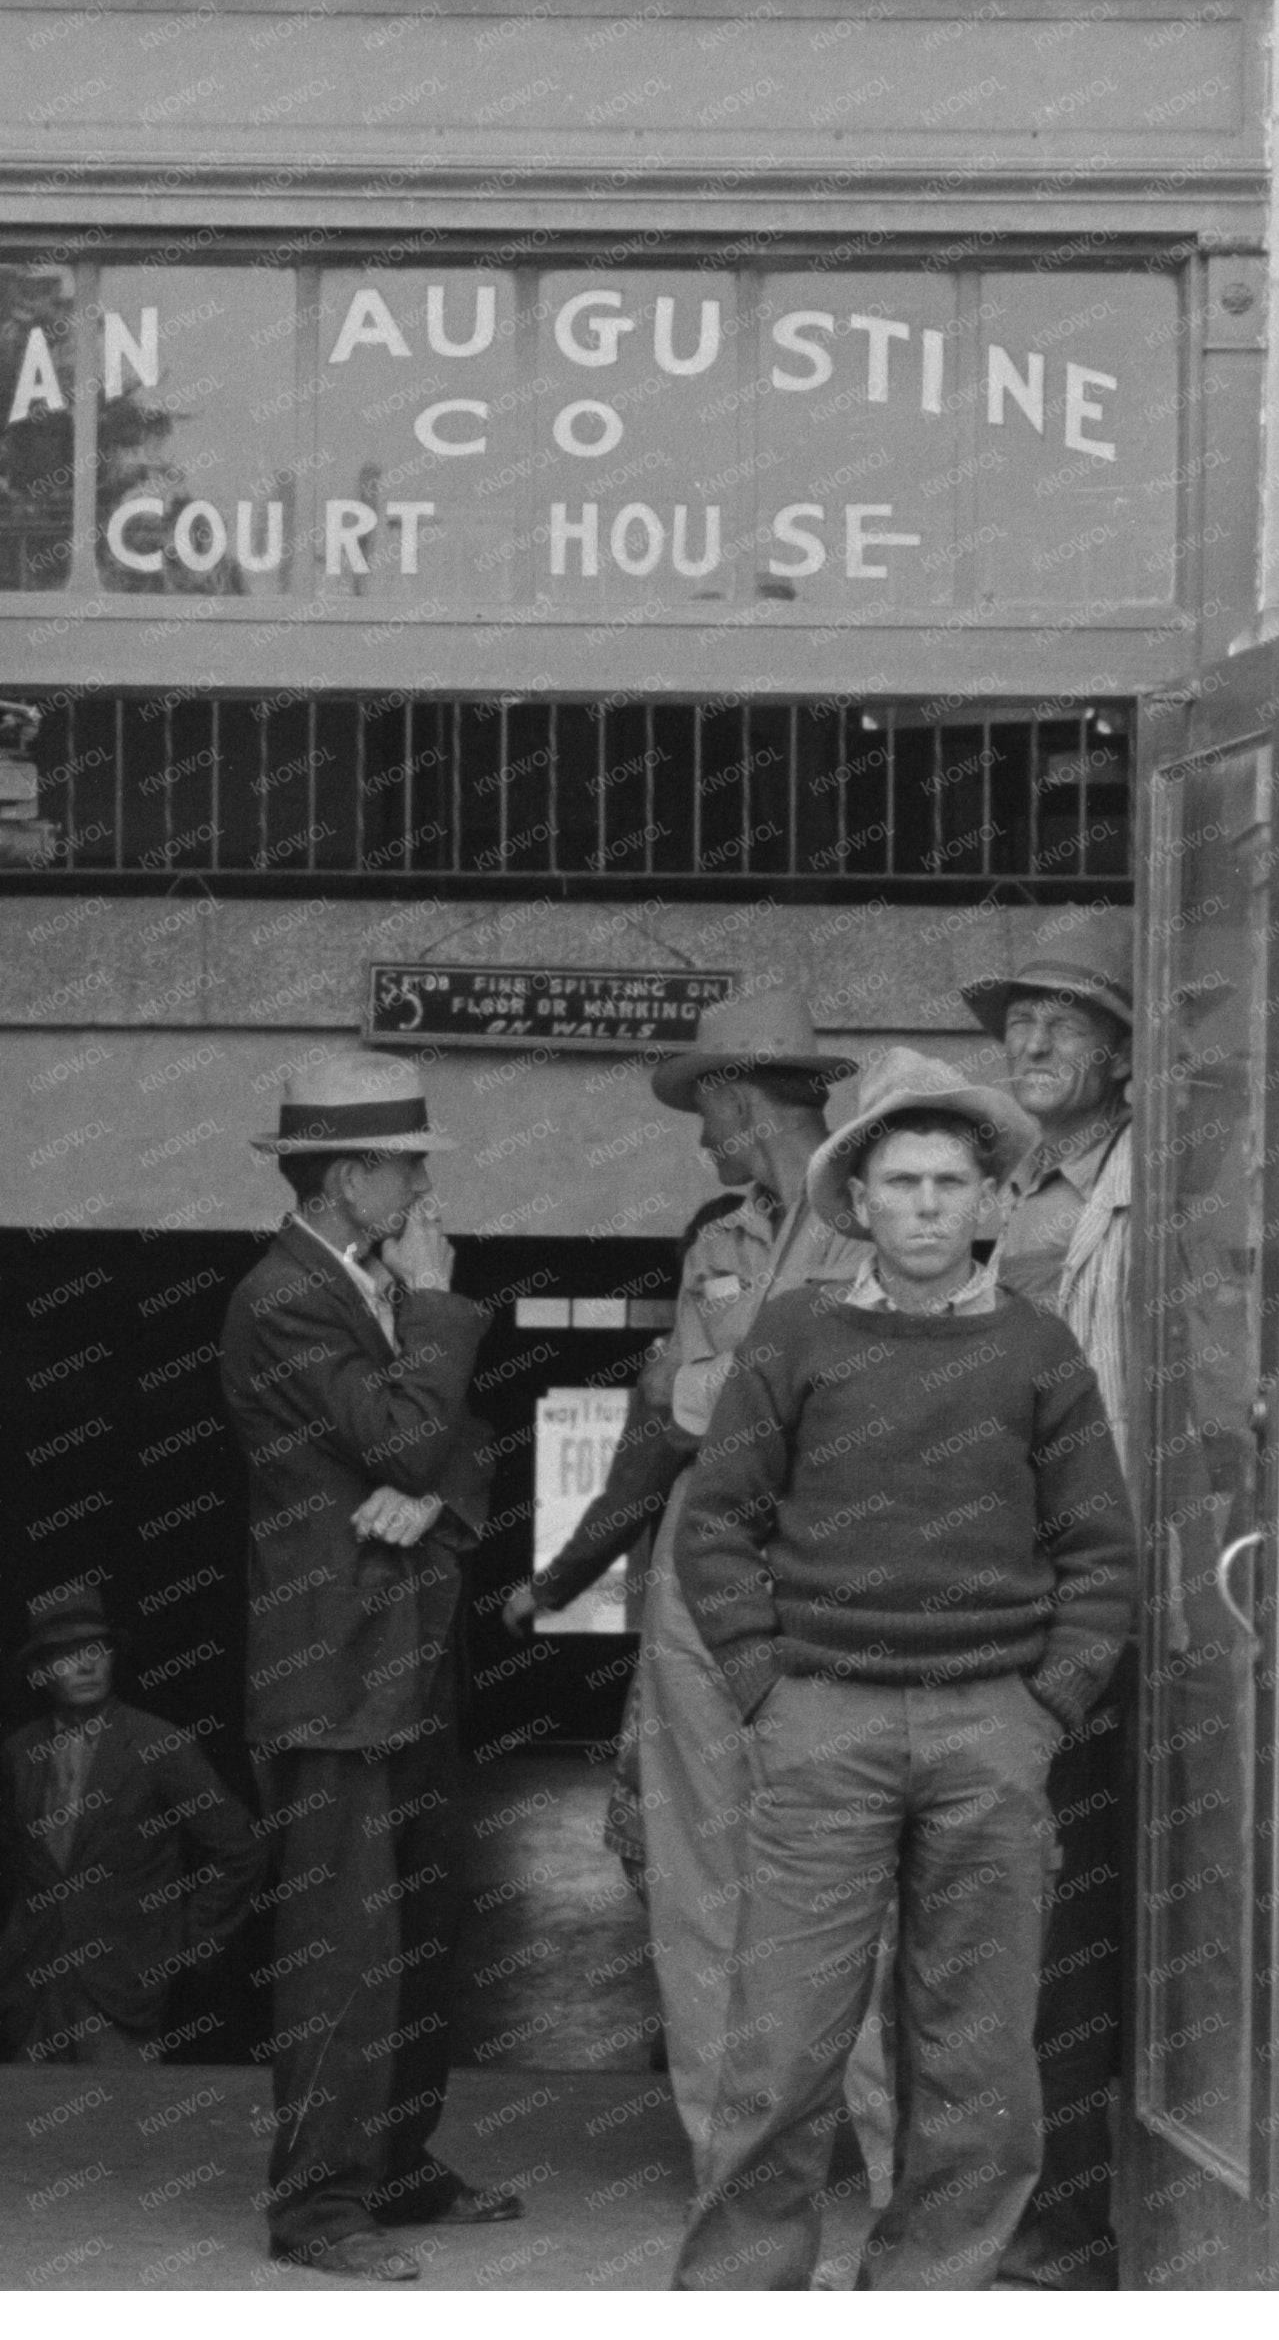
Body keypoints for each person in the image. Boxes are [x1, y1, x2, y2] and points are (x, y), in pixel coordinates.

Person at [668, 1047, 1137, 2291]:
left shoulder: (1037, 1352)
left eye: (947, 1183)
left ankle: (930, 2290)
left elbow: (1100, 1549)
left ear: (986, 1203)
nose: (925, 1204)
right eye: (900, 1182)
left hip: (991, 1730)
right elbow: (716, 1524)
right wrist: (766, 1683)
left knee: (975, 2051)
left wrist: (1044, 1709)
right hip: (824, 1722)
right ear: (856, 1202)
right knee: (782, 2041)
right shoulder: (793, 1335)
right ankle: (736, 2295)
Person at [500, 986, 895, 2187]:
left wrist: (706, 1382)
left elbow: (806, 1404)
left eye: (704, 1109)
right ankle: (735, 2153)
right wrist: (570, 1569)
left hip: (827, 1573)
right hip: (695, 1569)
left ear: (738, 1099)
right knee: (694, 1867)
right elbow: (669, 1419)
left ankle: (888, 2167)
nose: (698, 1138)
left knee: (854, 1864)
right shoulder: (716, 1234)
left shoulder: (879, 1219)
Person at [218, 1050, 522, 2283]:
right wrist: (440, 1308)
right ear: (348, 1176)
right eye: (406, 1166)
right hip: (334, 1675)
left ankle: (392, 2160)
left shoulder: (355, 1281)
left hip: (401, 1665)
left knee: (418, 1931)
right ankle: (317, 2210)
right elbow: (404, 1431)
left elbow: (461, 1447)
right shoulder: (284, 1298)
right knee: (339, 1952)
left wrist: (428, 1491)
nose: (421, 1189)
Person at [962, 939, 1142, 2287]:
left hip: (1081, 1594)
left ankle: (1061, 2225)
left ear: (1120, 1054)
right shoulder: (998, 1188)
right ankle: (997, 2205)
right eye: (1014, 1023)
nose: (1026, 1045)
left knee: (1064, 1927)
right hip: (982, 1589)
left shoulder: (1145, 1185)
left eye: (1057, 1025)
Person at [0, 1581, 264, 2066]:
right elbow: (22, 1860)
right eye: (66, 1655)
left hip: (124, 1984)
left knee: (120, 2126)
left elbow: (239, 1847)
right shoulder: (19, 1752)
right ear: (38, 1671)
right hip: (35, 1981)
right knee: (24, 2128)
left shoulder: (160, 1744)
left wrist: (189, 1941)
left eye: (96, 1650)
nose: (87, 1665)